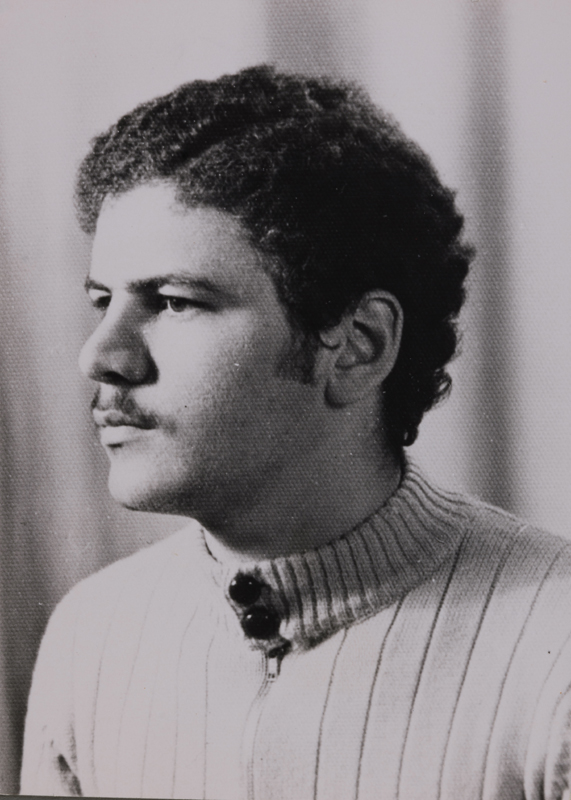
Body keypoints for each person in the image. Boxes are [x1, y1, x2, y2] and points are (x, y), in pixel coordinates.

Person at [19, 66, 571, 800]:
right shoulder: (91, 635)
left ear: (357, 346)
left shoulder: (555, 649)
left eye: (176, 301)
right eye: (102, 301)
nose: (101, 356)